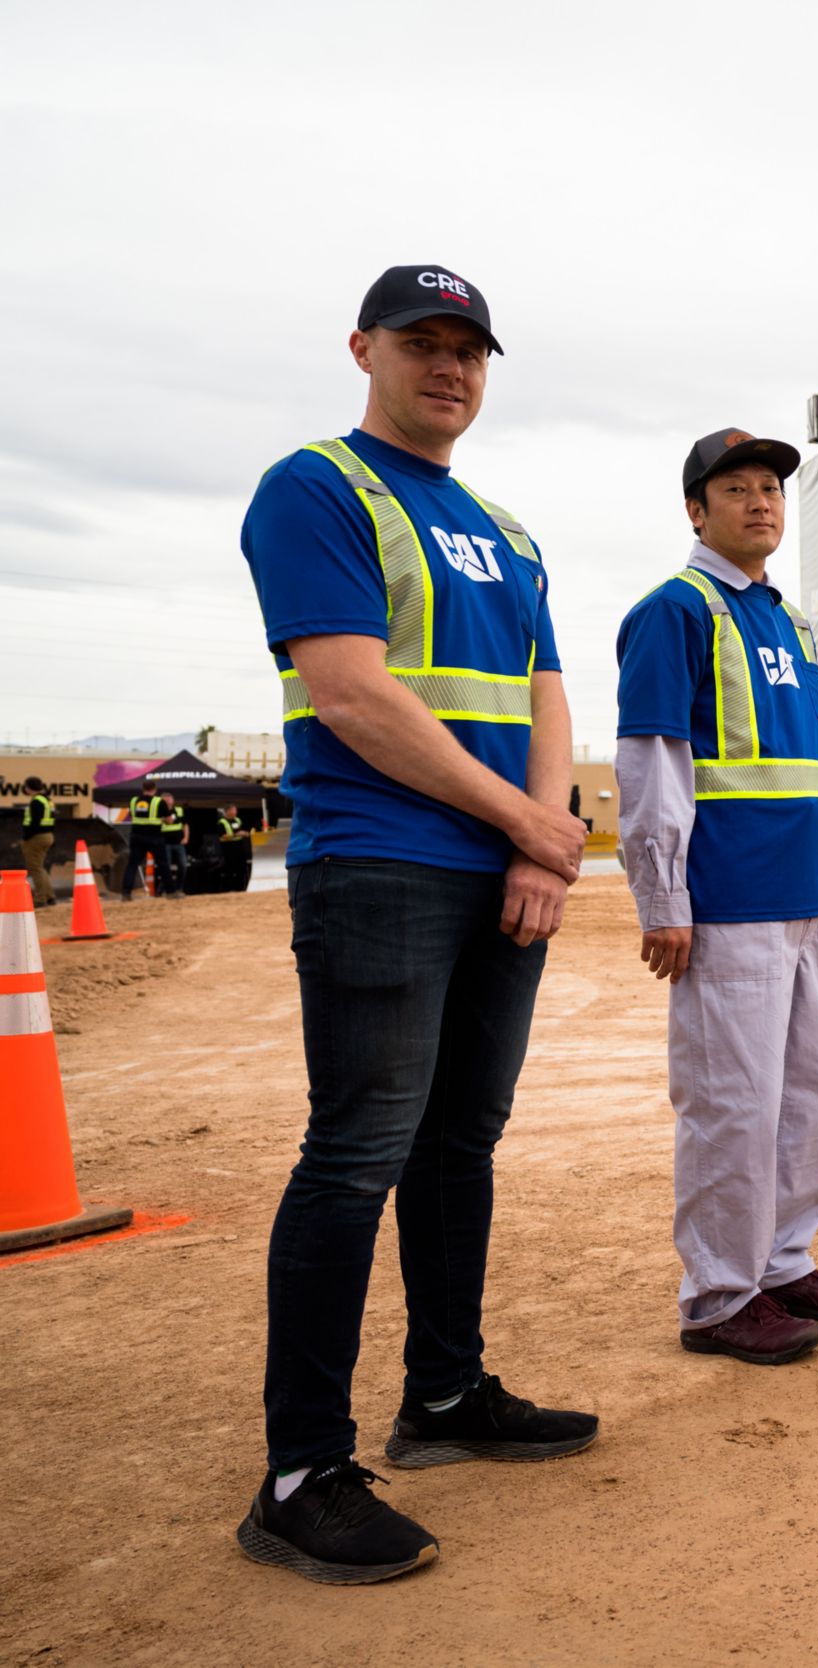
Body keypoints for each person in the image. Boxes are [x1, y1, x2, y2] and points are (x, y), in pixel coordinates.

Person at [235, 265, 595, 1585]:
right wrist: (528, 823)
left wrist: (542, 844)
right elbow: (349, 693)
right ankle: (300, 1475)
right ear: (363, 350)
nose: (450, 367)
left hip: (502, 873)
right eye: (423, 342)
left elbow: (549, 693)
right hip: (382, 864)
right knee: (356, 1156)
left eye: (469, 349)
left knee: (459, 1145)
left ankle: (445, 1394)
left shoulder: (506, 529)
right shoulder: (316, 487)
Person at [616, 428, 818, 1367]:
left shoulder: (788, 624)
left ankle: (781, 1261)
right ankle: (719, 1295)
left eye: (771, 487)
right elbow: (652, 765)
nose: (762, 501)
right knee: (733, 1102)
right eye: (737, 488)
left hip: (803, 898)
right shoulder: (675, 613)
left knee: (807, 1093)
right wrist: (663, 899)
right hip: (727, 904)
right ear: (697, 510)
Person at [119, 786, 161, 900]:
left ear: (143, 789)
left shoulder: (134, 800)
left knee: (132, 865)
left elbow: (132, 815)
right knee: (163, 863)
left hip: (137, 836)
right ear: (154, 790)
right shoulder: (157, 801)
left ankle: (126, 893)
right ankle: (170, 891)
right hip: (152, 837)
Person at [19, 787, 56, 907]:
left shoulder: (36, 801)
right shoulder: (47, 800)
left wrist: (26, 837)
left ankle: (40, 898)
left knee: (35, 868)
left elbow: (35, 822)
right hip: (47, 835)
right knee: (40, 868)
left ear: (28, 788)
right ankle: (49, 896)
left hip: (36, 837)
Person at [215, 805, 254, 894]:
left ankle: (240, 888)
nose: (235, 812)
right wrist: (235, 835)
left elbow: (241, 831)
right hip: (228, 848)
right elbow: (222, 836)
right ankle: (228, 889)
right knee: (229, 869)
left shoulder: (237, 820)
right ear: (227, 811)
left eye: (236, 810)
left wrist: (246, 834)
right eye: (233, 810)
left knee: (241, 868)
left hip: (239, 847)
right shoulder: (222, 822)